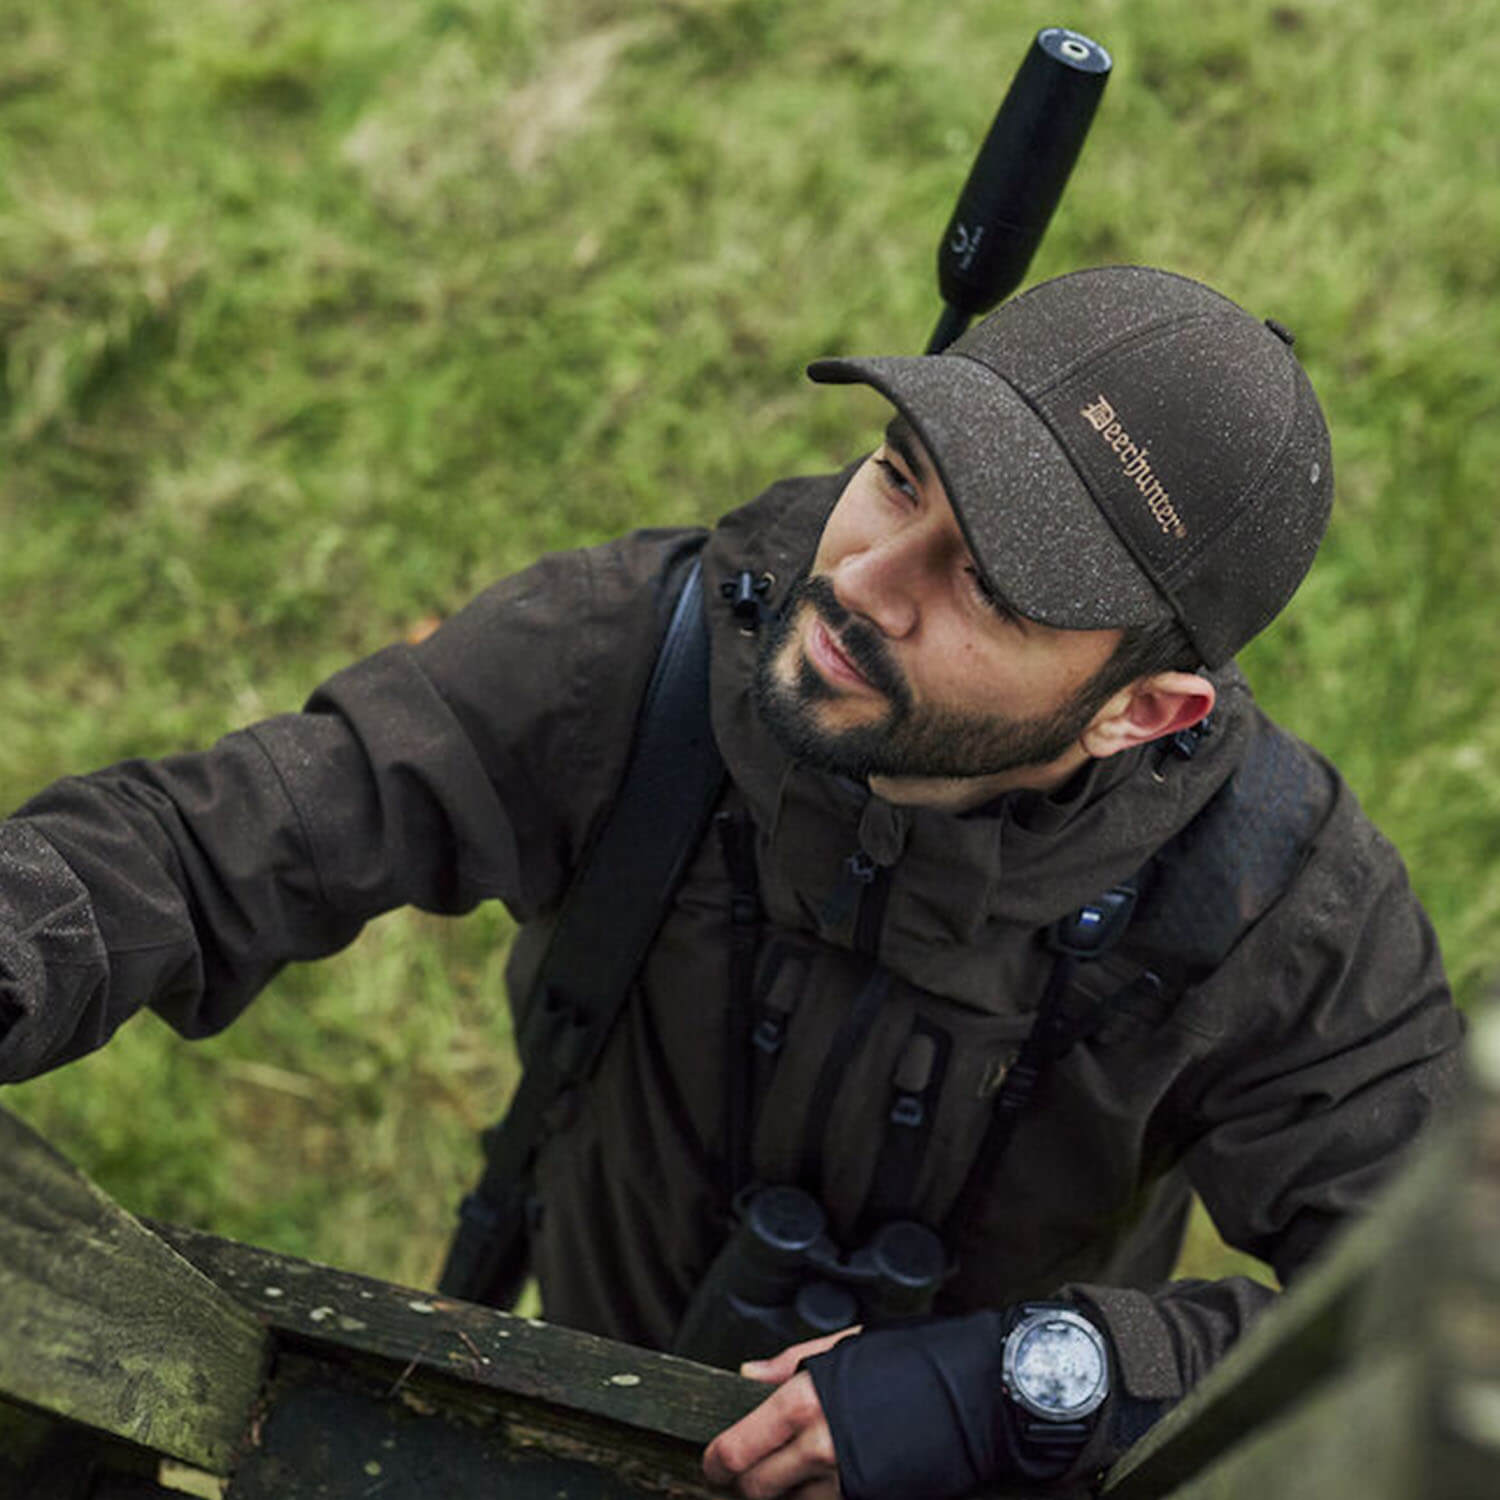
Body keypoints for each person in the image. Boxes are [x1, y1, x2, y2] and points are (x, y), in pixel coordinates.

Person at [0, 266, 1463, 1497]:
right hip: (587, 1365)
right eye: (898, 476)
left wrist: (1026, 1388)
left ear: (1145, 711)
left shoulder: (1286, 909)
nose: (869, 581)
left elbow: (1437, 1319)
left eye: (991, 589)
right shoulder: (647, 658)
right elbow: (205, 845)